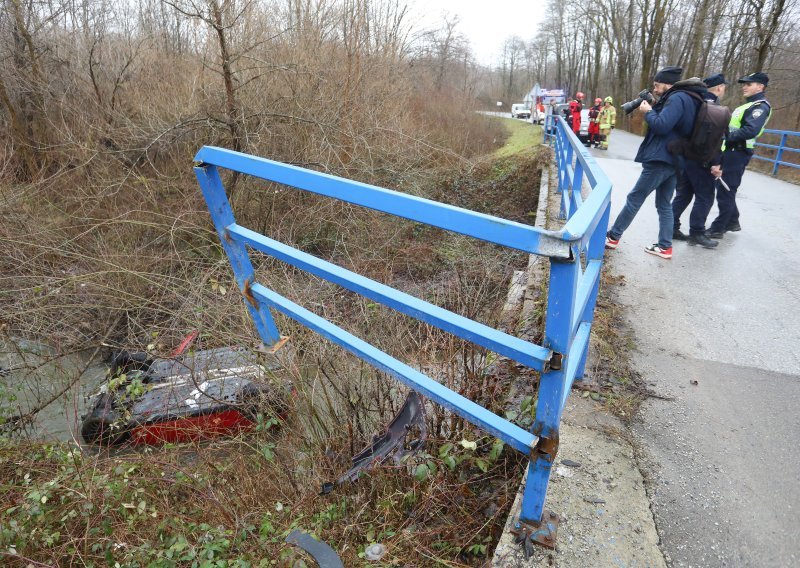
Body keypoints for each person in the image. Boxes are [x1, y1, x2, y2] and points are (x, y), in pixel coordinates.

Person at [605, 66, 704, 259]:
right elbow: (674, 124)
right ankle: (665, 246)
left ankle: (613, 237)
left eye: (657, 85)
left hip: (662, 158)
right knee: (664, 203)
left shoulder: (677, 98)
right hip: (676, 159)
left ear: (667, 83)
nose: (655, 89)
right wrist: (656, 105)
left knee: (635, 198)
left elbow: (661, 125)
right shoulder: (689, 98)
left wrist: (648, 111)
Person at [706, 72, 772, 238]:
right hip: (730, 150)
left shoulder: (760, 107)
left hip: (738, 151)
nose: (744, 87)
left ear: (760, 87)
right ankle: (733, 220)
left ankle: (718, 228)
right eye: (744, 84)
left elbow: (751, 130)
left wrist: (724, 135)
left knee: (726, 190)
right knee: (724, 187)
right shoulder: (747, 106)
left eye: (749, 84)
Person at [671, 73, 728, 248]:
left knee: (684, 194)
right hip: (702, 161)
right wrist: (717, 163)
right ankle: (697, 232)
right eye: (724, 88)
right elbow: (717, 141)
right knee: (705, 197)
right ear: (719, 88)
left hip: (684, 157)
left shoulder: (694, 101)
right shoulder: (715, 110)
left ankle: (671, 227)